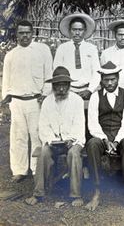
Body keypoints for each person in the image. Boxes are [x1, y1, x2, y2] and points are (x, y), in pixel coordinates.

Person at [25, 67, 85, 206]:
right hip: (54, 142)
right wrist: (50, 140)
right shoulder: (47, 102)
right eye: (58, 85)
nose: (61, 89)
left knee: (74, 154)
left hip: (73, 140)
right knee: (44, 152)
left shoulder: (77, 100)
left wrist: (72, 139)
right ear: (53, 86)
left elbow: (80, 123)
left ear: (69, 85)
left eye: (64, 85)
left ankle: (76, 195)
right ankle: (38, 193)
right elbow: (43, 125)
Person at [1, 20, 53, 182]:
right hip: (16, 101)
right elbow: (6, 80)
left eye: (27, 32)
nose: (24, 36)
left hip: (36, 100)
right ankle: (19, 170)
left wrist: (44, 95)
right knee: (18, 136)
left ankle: (37, 168)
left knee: (37, 134)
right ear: (16, 35)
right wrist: (5, 101)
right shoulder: (11, 55)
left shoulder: (42, 50)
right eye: (21, 33)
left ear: (33, 33)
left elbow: (49, 75)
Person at [85, 61, 124, 211]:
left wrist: (115, 141)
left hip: (120, 135)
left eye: (113, 79)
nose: (109, 83)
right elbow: (93, 123)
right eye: (106, 80)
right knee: (92, 144)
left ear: (118, 78)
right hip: (101, 134)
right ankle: (96, 191)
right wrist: (104, 139)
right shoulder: (95, 96)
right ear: (101, 80)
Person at [54, 13, 100, 104]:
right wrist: (64, 90)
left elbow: (97, 72)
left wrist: (90, 90)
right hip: (68, 91)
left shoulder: (91, 48)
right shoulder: (62, 48)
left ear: (85, 30)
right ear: (70, 30)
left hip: (87, 91)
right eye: (74, 29)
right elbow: (57, 71)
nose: (77, 33)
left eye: (80, 29)